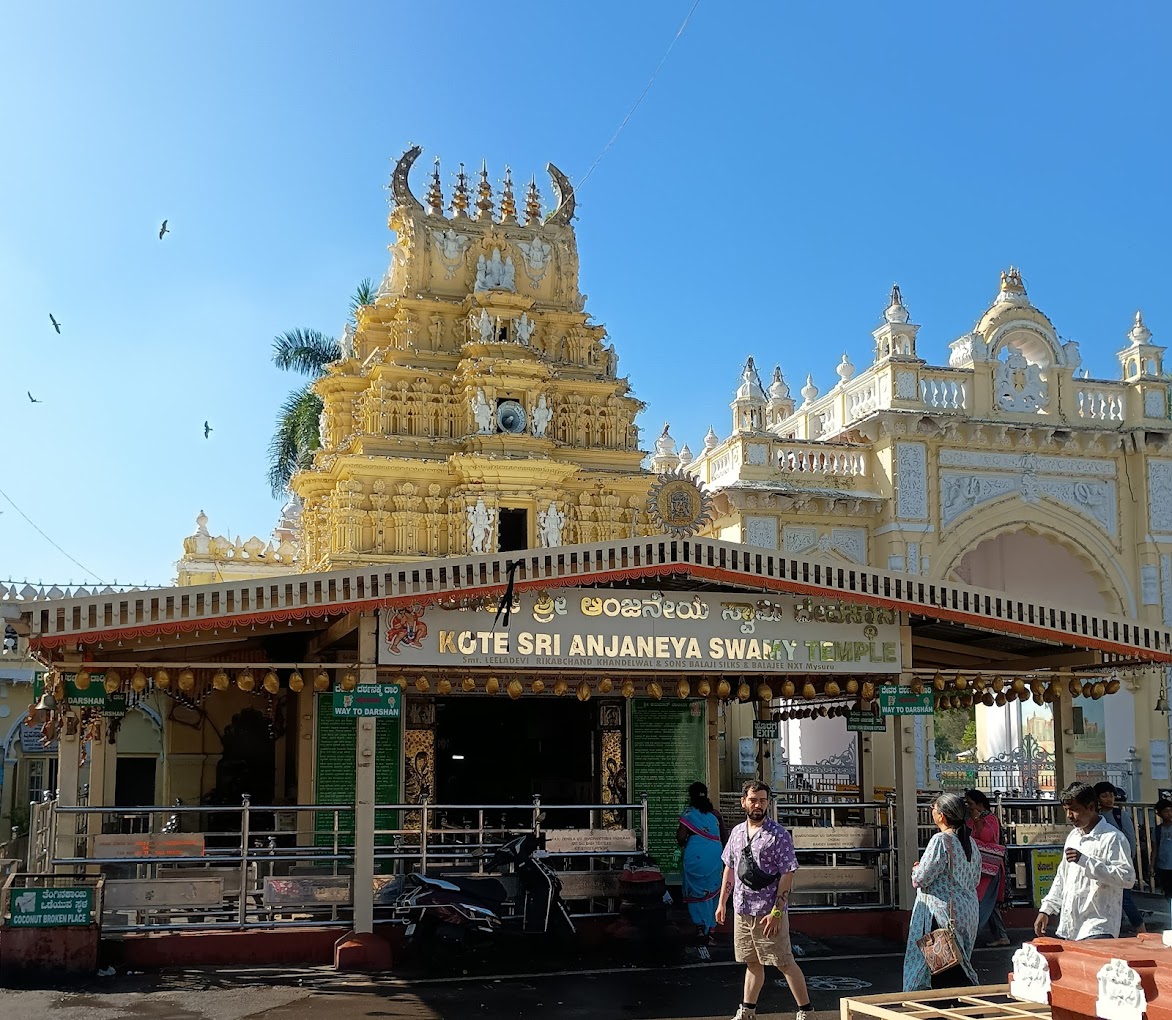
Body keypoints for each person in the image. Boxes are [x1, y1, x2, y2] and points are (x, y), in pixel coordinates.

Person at [715, 780, 811, 1020]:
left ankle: (806, 1011)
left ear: (768, 802)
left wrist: (777, 912)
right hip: (742, 908)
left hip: (768, 911)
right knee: (751, 962)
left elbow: (787, 874)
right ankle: (747, 1010)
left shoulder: (778, 835)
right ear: (743, 802)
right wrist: (721, 902)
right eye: (753, 799)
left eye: (762, 800)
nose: (758, 805)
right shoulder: (736, 833)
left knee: (784, 962)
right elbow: (729, 867)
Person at [1035, 781, 1136, 940]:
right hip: (1072, 927)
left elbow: (1127, 878)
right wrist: (1046, 909)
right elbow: (1062, 877)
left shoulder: (1113, 838)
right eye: (1066, 810)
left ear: (1090, 807)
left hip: (1099, 926)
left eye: (1074, 810)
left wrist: (1087, 862)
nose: (1069, 816)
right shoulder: (1073, 836)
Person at [903, 793, 981, 992]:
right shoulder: (970, 843)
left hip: (942, 916)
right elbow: (975, 879)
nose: (932, 812)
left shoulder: (941, 840)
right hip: (967, 913)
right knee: (957, 963)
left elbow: (920, 879)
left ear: (942, 815)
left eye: (934, 809)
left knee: (941, 969)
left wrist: (916, 869)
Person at [1094, 781, 1146, 934]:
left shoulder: (1120, 815)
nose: (1109, 799)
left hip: (1118, 864)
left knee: (1126, 899)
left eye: (1111, 795)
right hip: (1099, 865)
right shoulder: (1095, 816)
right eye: (1104, 796)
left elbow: (1130, 838)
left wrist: (1128, 861)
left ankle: (1142, 930)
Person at [676, 782, 726, 941]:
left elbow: (680, 838)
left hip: (694, 857)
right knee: (713, 891)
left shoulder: (688, 814)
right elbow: (724, 837)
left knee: (695, 891)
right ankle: (711, 929)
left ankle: (699, 927)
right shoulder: (715, 814)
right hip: (714, 856)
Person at [964, 789, 1011, 947]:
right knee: (989, 903)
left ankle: (970, 935)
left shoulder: (990, 819)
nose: (968, 807)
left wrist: (977, 821)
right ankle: (1001, 935)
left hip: (988, 869)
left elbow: (987, 837)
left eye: (970, 803)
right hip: (981, 868)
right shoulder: (971, 819)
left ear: (979, 804)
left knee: (981, 902)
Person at [1149, 799, 1172, 899]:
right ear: (1159, 814)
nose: (1170, 814)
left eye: (1171, 810)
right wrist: (1152, 866)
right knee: (1168, 893)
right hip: (1163, 866)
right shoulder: (1157, 830)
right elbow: (1154, 849)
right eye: (1166, 811)